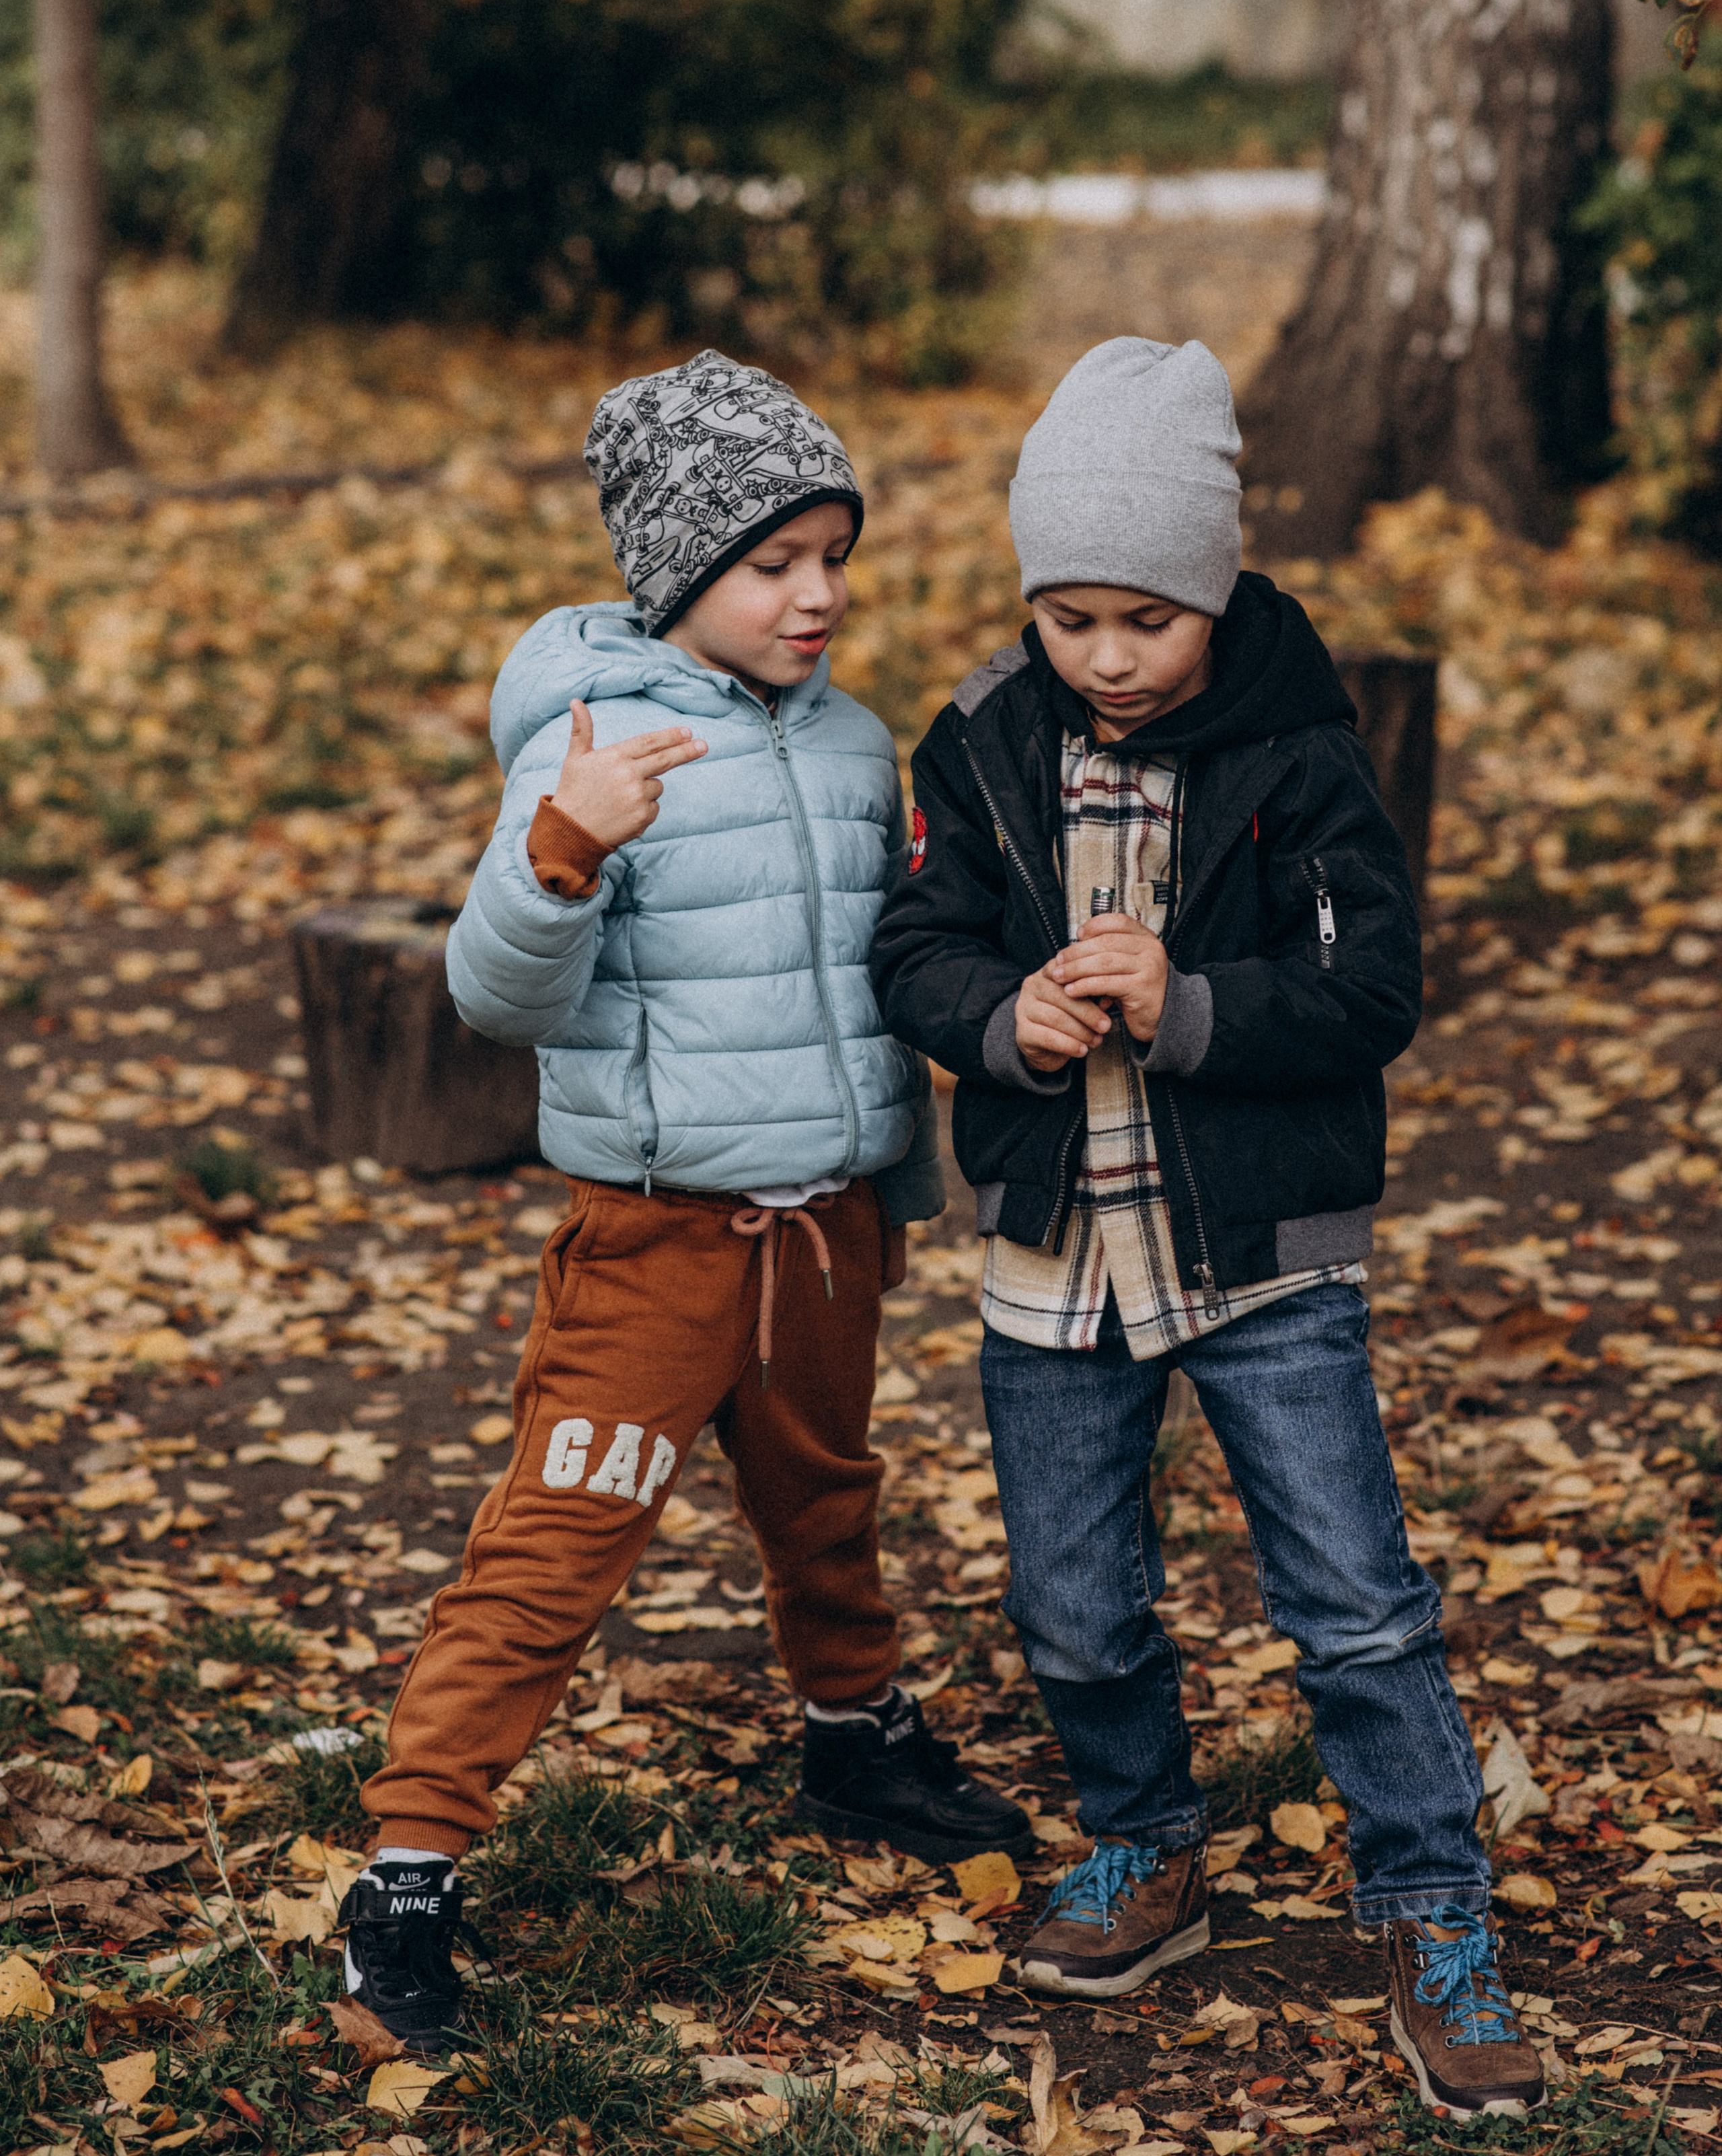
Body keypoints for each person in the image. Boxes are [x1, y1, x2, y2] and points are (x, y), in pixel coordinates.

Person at [870, 336, 1544, 2125]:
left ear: (1215, 590)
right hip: (1056, 1253)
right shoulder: (981, 739)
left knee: (1354, 1602)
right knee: (1073, 1602)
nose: (1105, 655)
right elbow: (915, 945)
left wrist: (1186, 1005)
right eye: (1068, 616)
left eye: (1146, 620)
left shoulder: (1297, 747)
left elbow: (1370, 986)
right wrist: (1001, 1016)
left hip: (1261, 1255)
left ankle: (1432, 1906)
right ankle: (1144, 1840)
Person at [342, 350, 1030, 2053]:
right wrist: (564, 847)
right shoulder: (589, 740)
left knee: (824, 1497)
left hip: (826, 1231)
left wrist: (891, 1178)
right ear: (678, 570)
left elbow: (871, 977)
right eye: (771, 562)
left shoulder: (854, 742)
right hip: (655, 1240)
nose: (818, 594)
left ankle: (855, 1737)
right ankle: (408, 1868)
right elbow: (495, 992)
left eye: (832, 554)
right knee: (556, 1542)